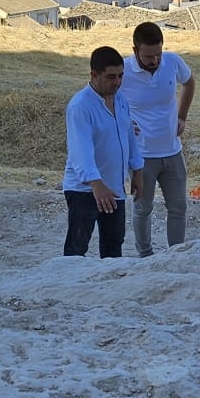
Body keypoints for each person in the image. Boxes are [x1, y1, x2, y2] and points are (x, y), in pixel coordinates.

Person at [117, 21, 193, 256]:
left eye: (158, 54)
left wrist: (182, 116)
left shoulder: (172, 61)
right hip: (141, 156)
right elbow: (106, 99)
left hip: (172, 150)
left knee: (178, 207)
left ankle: (176, 255)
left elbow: (189, 82)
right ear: (135, 50)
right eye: (149, 56)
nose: (155, 60)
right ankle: (145, 255)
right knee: (142, 208)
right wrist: (124, 121)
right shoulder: (124, 71)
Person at [62, 45, 142, 258]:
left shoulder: (120, 99)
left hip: (114, 188)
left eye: (120, 76)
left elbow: (128, 135)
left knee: (114, 248)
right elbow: (80, 151)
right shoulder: (80, 106)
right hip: (85, 190)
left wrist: (137, 172)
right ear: (94, 75)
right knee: (76, 250)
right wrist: (96, 184)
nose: (117, 82)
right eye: (111, 77)